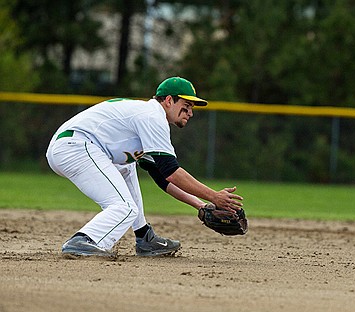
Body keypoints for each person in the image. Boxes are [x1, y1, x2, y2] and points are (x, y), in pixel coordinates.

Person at [46, 77, 243, 257]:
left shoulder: (150, 118)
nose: (190, 112)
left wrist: (200, 205)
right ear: (168, 101)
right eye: (186, 105)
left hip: (77, 147)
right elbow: (172, 172)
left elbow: (161, 175)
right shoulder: (152, 117)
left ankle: (144, 237)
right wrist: (214, 197)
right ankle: (84, 240)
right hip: (75, 147)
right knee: (124, 207)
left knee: (127, 168)